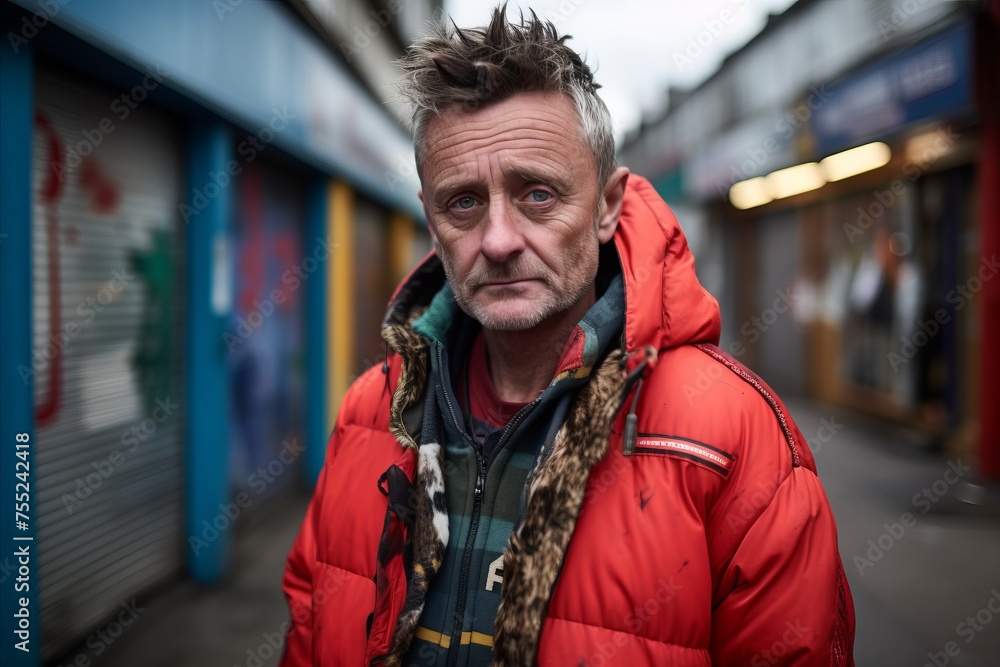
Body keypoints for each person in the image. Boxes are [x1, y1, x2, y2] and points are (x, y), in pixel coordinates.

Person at [280, 6, 855, 666]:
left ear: (608, 205)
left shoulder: (734, 441)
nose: (497, 241)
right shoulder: (367, 416)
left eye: (538, 194)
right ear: (431, 222)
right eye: (463, 201)